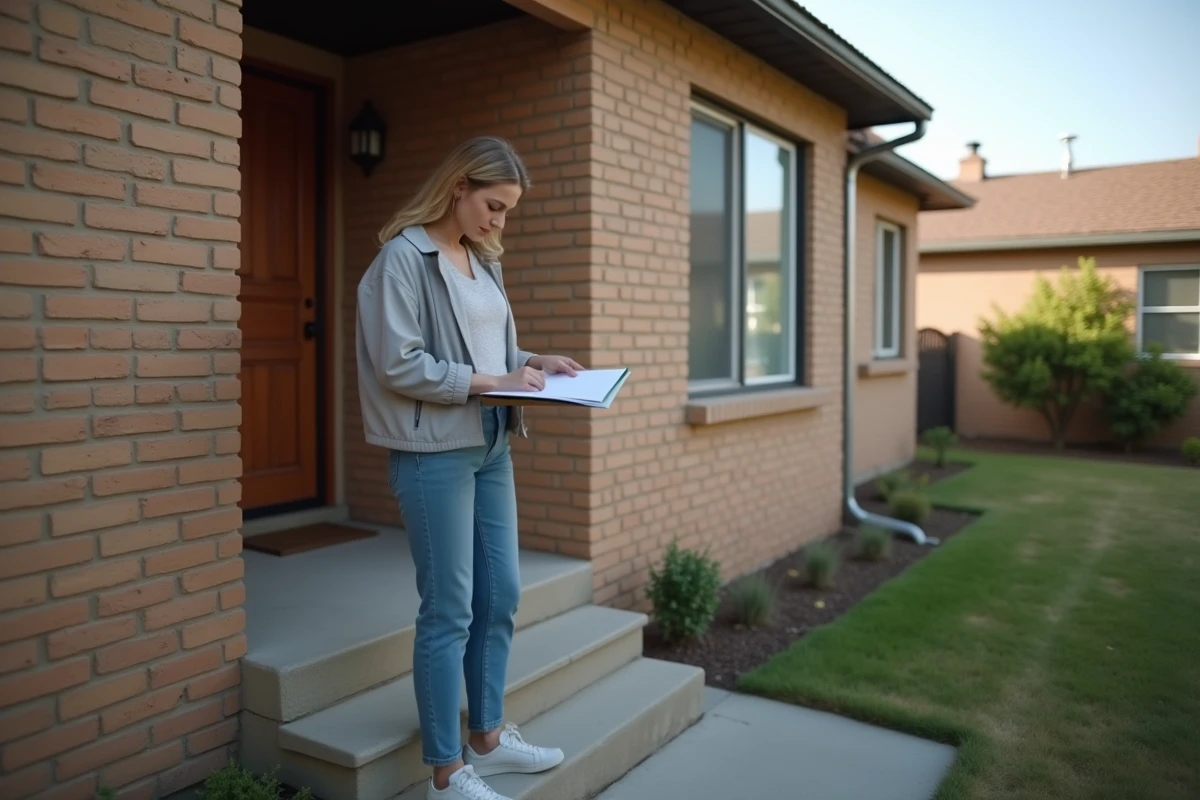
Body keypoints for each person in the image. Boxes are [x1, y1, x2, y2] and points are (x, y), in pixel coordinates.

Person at [355, 136, 584, 800]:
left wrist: (539, 364)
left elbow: (493, 349)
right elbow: (400, 364)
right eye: (494, 205)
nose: (499, 222)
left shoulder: (482, 261)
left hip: (490, 442)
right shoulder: (400, 260)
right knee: (449, 608)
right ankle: (446, 773)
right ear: (458, 186)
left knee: (502, 595)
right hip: (434, 453)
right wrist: (495, 379)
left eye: (508, 211)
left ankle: (486, 735)